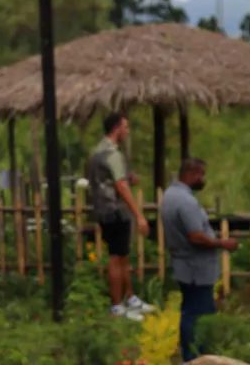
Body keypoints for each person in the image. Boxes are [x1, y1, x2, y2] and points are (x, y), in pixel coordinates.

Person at [161, 157, 239, 363]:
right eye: (201, 175)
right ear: (192, 174)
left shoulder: (170, 195)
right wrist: (223, 243)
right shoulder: (186, 201)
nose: (203, 179)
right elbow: (195, 236)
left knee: (190, 311)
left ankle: (191, 355)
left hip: (184, 265)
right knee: (200, 315)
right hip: (196, 268)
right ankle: (196, 356)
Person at [85, 112, 155, 321]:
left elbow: (104, 179)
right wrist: (139, 214)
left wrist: (125, 178)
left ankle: (130, 298)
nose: (127, 131)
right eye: (126, 127)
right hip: (115, 210)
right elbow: (120, 185)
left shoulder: (96, 151)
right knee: (117, 258)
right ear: (116, 128)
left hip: (102, 208)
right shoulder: (113, 154)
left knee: (122, 256)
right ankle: (117, 305)